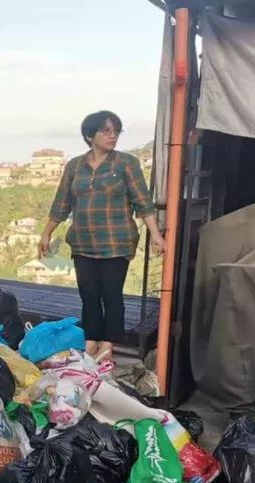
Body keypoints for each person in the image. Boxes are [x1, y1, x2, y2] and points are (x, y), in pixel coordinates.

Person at [39, 110, 164, 362]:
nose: (112, 135)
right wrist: (46, 233)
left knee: (111, 295)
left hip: (116, 243)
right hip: (83, 242)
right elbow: (61, 204)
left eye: (115, 131)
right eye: (106, 131)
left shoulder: (126, 163)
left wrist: (156, 235)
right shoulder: (75, 166)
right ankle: (91, 340)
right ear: (89, 135)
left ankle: (108, 344)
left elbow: (143, 203)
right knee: (89, 295)